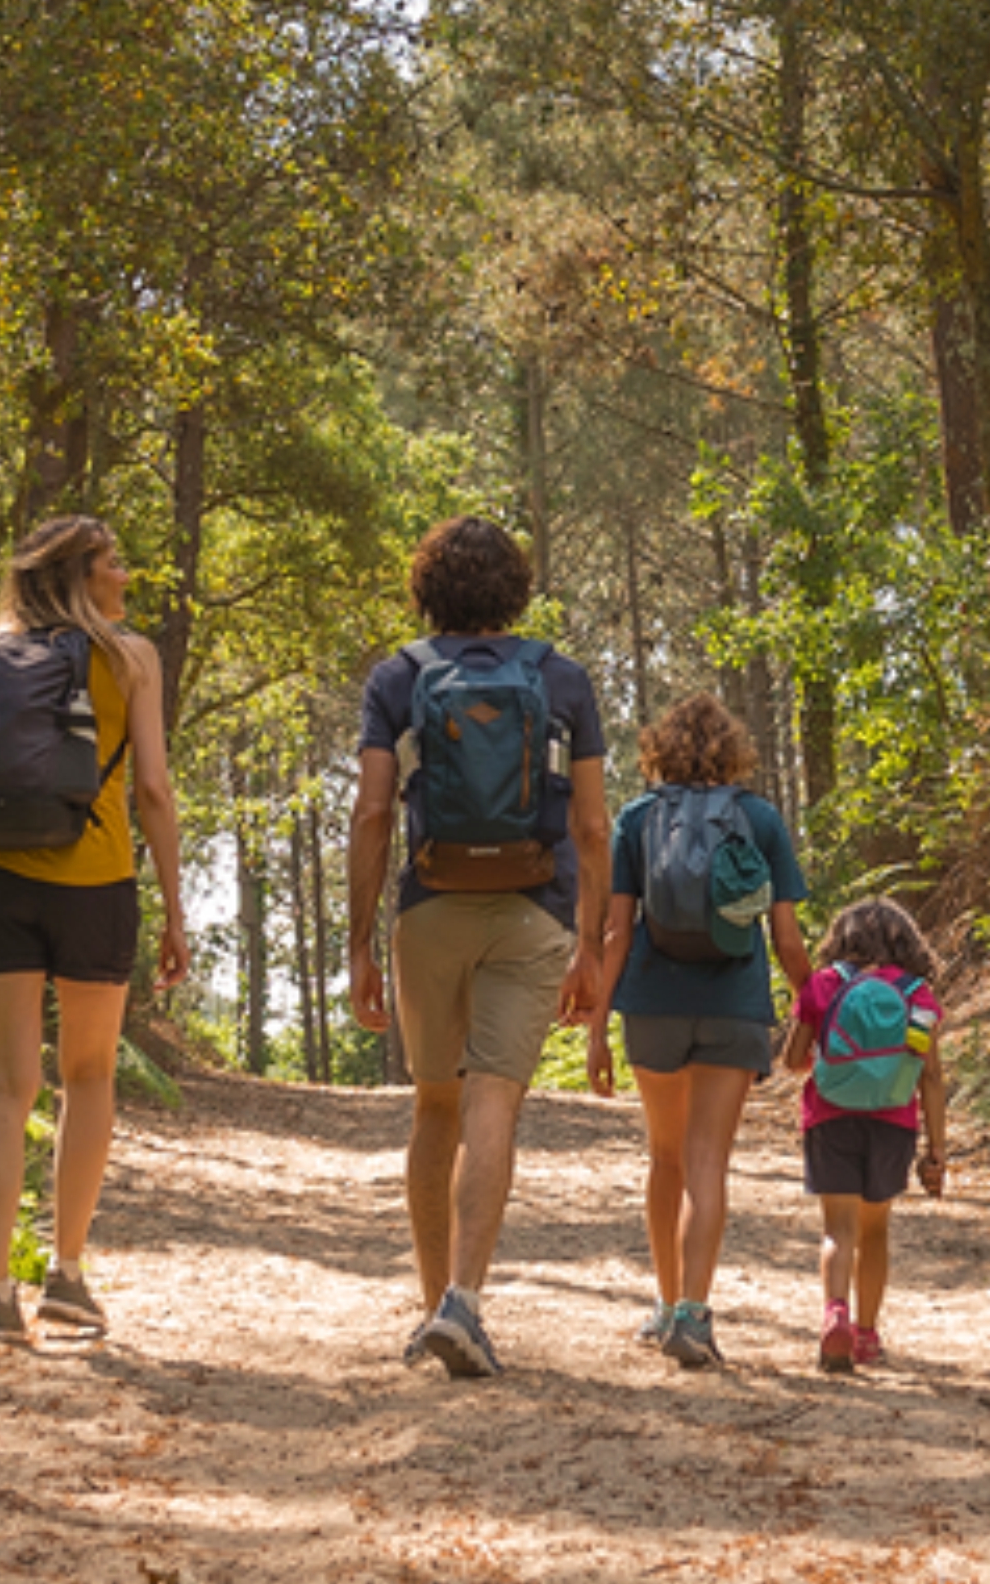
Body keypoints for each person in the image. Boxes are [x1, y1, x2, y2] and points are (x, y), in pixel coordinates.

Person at [348, 515, 611, 1378]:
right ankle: (464, 1299)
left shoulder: (399, 676)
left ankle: (434, 1308)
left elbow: (375, 811)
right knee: (492, 1101)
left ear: (427, 587)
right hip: (534, 910)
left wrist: (359, 941)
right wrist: (592, 944)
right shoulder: (562, 678)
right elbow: (594, 824)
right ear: (516, 588)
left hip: (429, 905)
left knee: (434, 1105)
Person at [0, 515, 190, 1343]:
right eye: (113, 562)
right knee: (86, 1078)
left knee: (6, 1089)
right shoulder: (130, 659)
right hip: (97, 884)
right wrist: (174, 904)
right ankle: (65, 1273)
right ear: (82, 575)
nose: (124, 574)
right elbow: (153, 790)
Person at [582, 692, 810, 1371]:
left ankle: (662, 1301)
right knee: (708, 1160)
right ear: (733, 749)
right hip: (734, 1003)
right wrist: (813, 1002)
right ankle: (694, 1314)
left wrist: (597, 1025)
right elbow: (789, 937)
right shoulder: (759, 818)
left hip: (653, 1002)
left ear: (660, 749)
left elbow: (616, 930)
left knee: (666, 1157)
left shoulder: (638, 817)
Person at [779, 896, 947, 1373]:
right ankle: (867, 1336)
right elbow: (929, 1075)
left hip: (829, 1119)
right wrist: (937, 1149)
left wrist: (833, 1059)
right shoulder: (918, 995)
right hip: (893, 1122)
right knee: (875, 1232)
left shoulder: (824, 985)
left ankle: (835, 1313)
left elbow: (793, 1061)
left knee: (838, 1228)